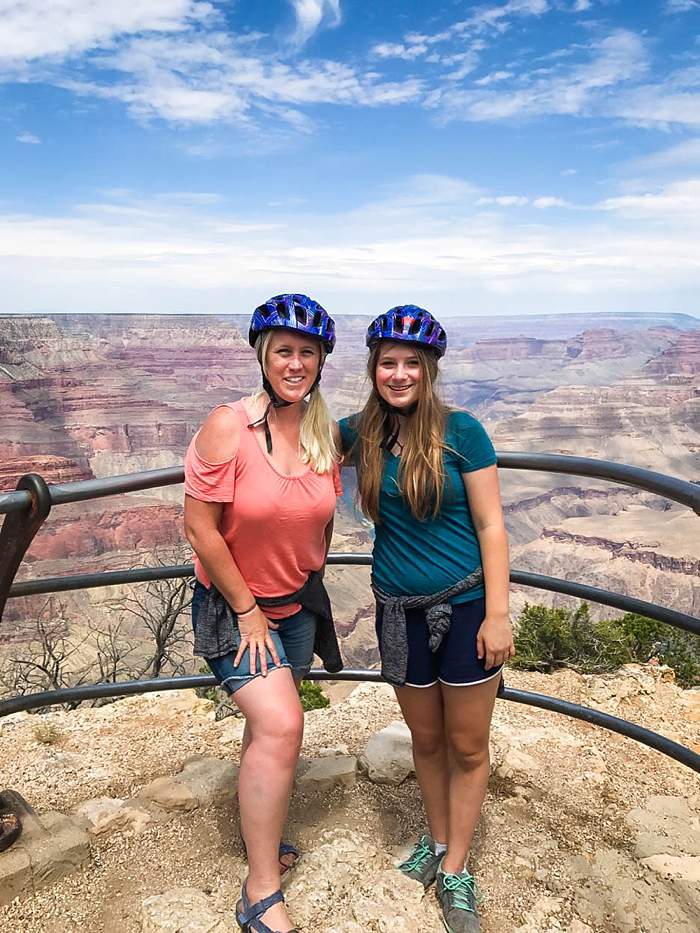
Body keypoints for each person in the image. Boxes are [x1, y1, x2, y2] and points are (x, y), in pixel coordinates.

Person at [337, 305, 514, 933]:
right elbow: (289, 442)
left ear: (430, 369)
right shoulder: (357, 431)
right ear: (373, 368)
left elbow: (492, 524)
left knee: (467, 744)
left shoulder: (463, 432)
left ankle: (458, 867)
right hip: (397, 613)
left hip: (466, 610)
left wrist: (498, 614)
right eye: (389, 362)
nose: (400, 373)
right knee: (428, 740)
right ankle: (437, 842)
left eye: (413, 363)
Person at [184, 294, 343, 933]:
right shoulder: (229, 426)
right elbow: (200, 530)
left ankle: (261, 839)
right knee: (282, 726)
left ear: (321, 361)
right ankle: (260, 891)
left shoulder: (323, 434)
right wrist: (248, 609)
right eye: (284, 350)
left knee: (265, 734)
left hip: (297, 606)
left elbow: (321, 520)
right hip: (236, 609)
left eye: (308, 351)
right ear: (262, 355)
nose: (296, 361)